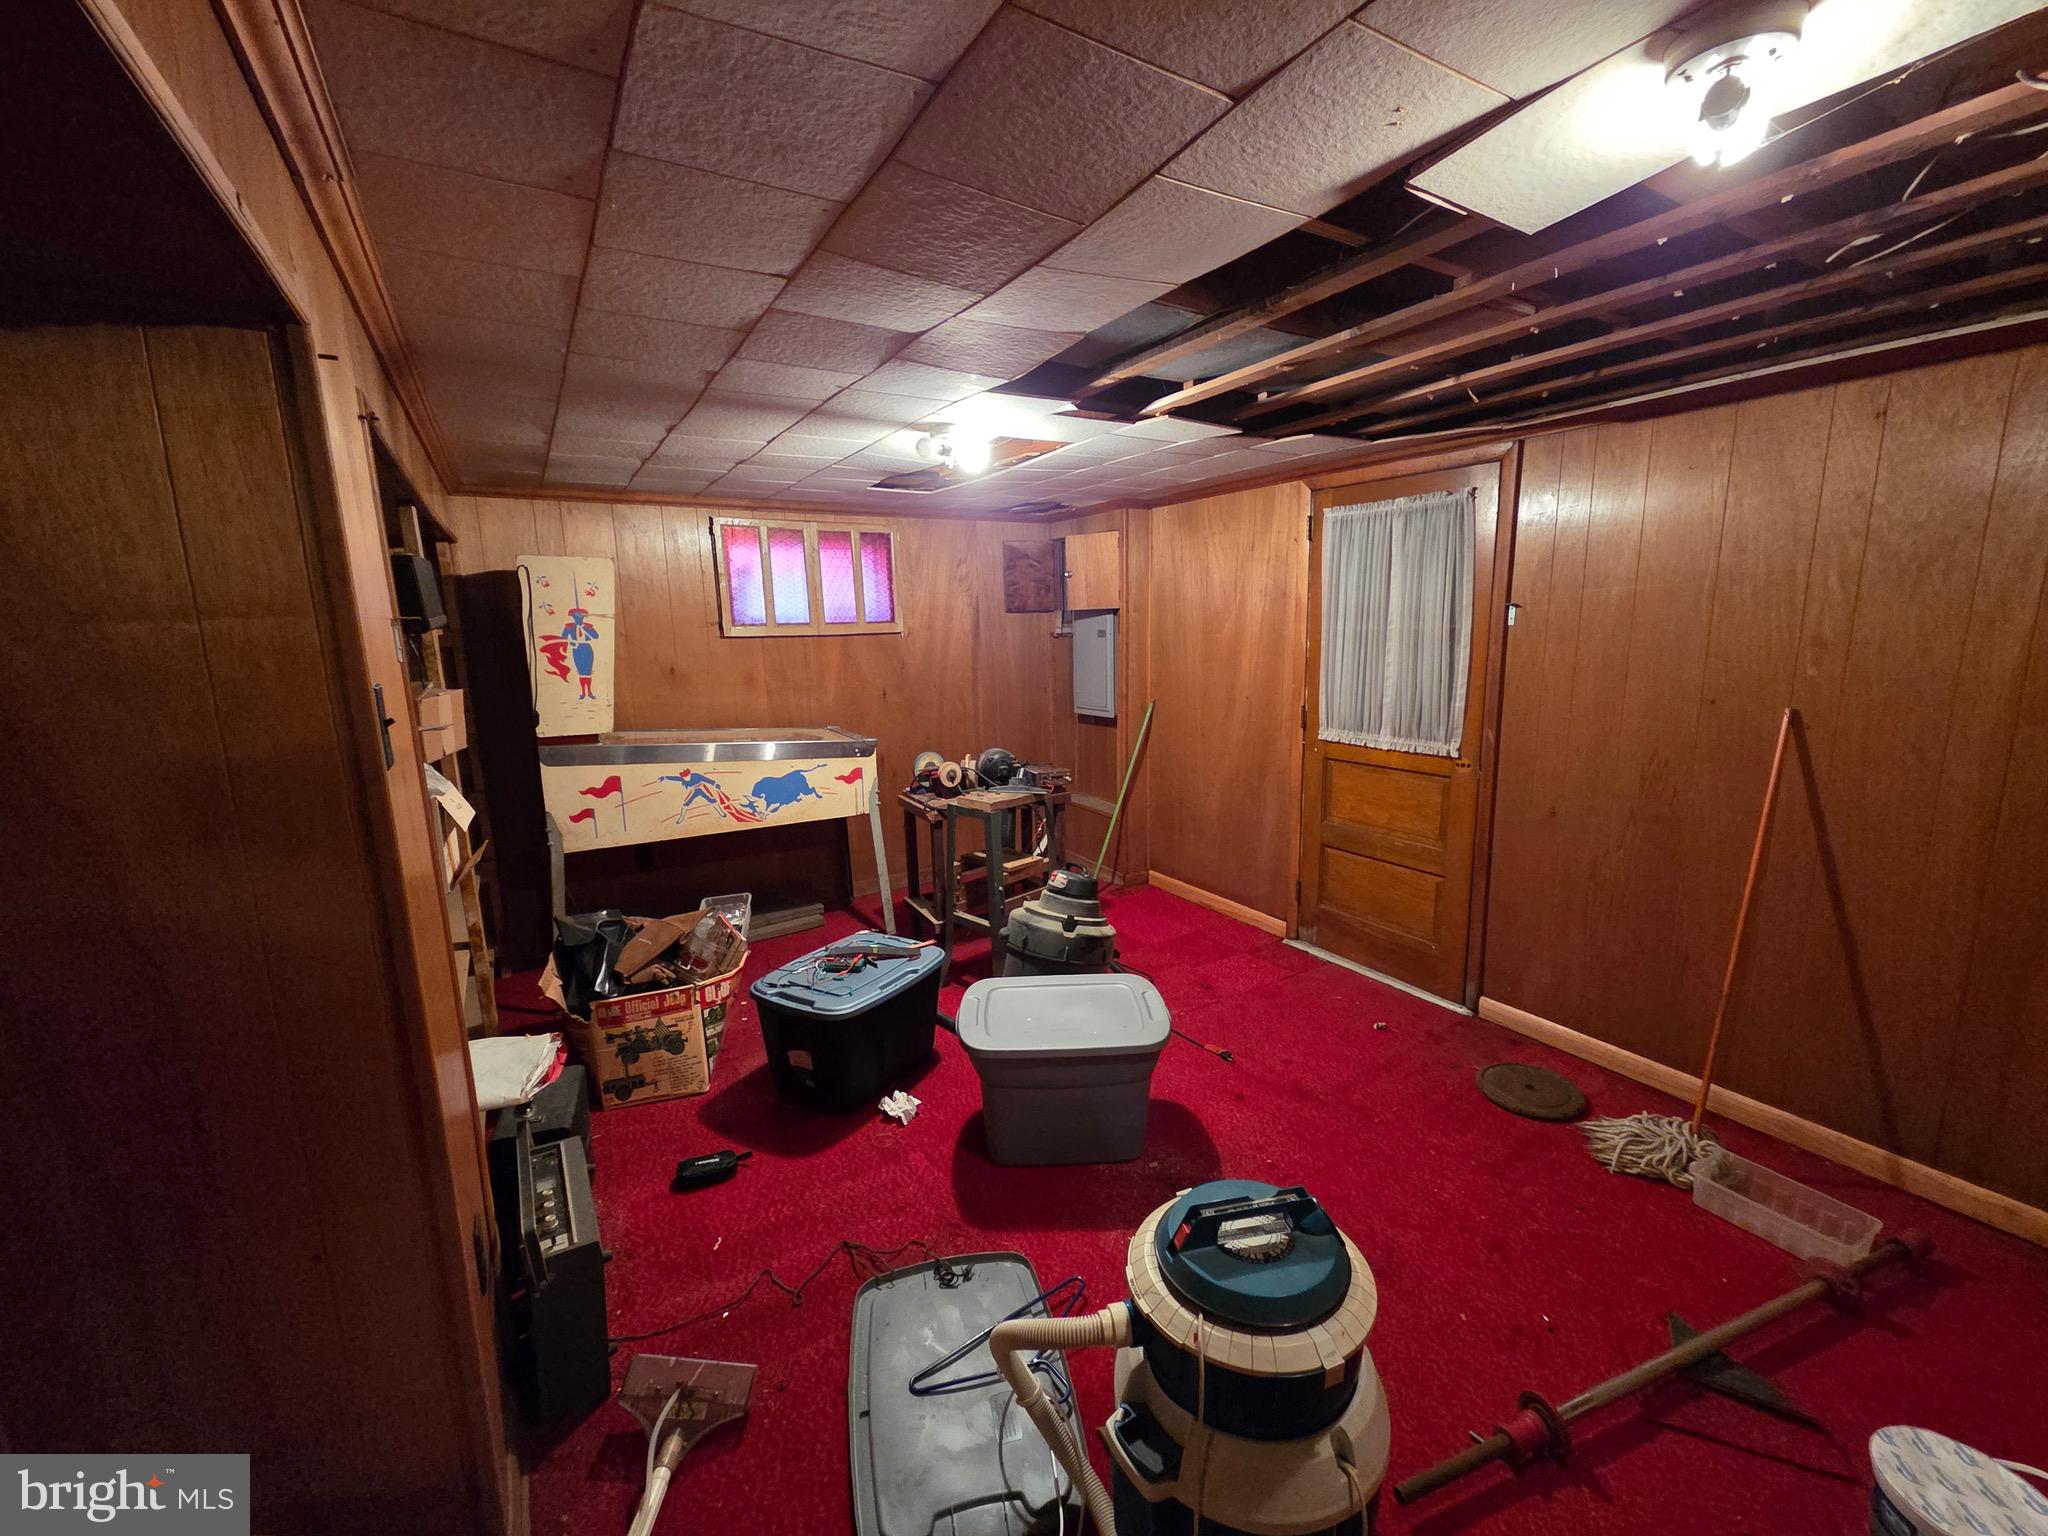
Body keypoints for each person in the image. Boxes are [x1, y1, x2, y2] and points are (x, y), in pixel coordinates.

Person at [561, 607, 599, 699]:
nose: (578, 618)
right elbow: (563, 638)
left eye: (580, 616)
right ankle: (583, 693)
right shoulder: (569, 627)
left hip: (587, 648)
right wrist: (571, 642)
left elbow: (596, 636)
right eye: (576, 616)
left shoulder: (588, 626)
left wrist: (586, 629)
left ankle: (589, 692)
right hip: (577, 649)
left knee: (588, 671)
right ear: (573, 617)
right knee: (581, 671)